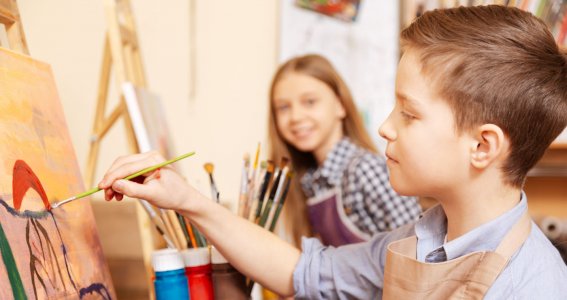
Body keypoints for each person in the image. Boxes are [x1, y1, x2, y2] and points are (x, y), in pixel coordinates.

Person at [98, 5, 567, 298]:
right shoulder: (416, 240)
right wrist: (188, 200)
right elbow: (304, 273)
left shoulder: (535, 285)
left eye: (409, 113)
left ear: (482, 146)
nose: (384, 127)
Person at [267, 54, 421, 246]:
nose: (296, 116)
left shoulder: (365, 169)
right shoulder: (311, 181)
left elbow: (416, 246)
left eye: (310, 102)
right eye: (283, 107)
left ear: (340, 105)